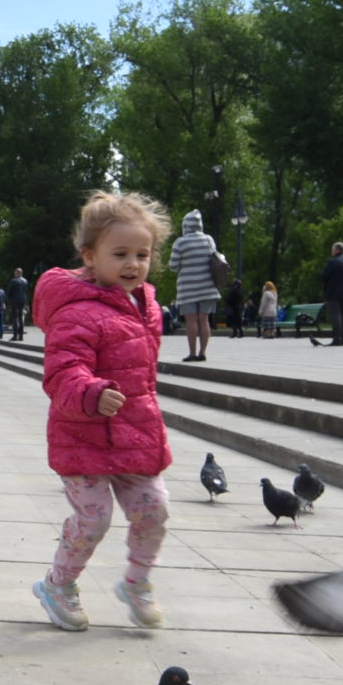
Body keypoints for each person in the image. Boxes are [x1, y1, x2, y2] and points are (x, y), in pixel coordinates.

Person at [31, 190, 173, 634]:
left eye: (142, 254)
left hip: (135, 434)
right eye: (120, 254)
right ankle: (58, 584)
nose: (133, 263)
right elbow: (62, 372)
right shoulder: (76, 311)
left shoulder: (146, 306)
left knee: (154, 508)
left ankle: (137, 582)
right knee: (95, 518)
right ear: (89, 255)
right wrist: (90, 392)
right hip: (84, 435)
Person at [167, 210, 220, 362]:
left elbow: (173, 266)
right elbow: (215, 258)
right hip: (208, 287)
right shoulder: (208, 240)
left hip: (188, 288)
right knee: (204, 320)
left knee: (191, 320)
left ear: (185, 226)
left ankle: (192, 353)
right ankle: (202, 353)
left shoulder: (180, 242)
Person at [316, 241, 343, 347]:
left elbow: (324, 276)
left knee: (335, 315)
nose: (331, 251)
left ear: (337, 250)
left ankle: (337, 338)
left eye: (332, 249)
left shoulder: (332, 262)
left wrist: (320, 275)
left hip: (333, 292)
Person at [7, 267, 31, 337]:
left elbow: (9, 292)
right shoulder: (25, 281)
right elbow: (26, 291)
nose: (14, 274)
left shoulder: (13, 281)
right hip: (22, 301)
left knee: (15, 318)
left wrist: (8, 300)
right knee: (21, 318)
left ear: (18, 273)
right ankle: (21, 335)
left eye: (15, 272)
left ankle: (15, 335)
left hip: (15, 301)